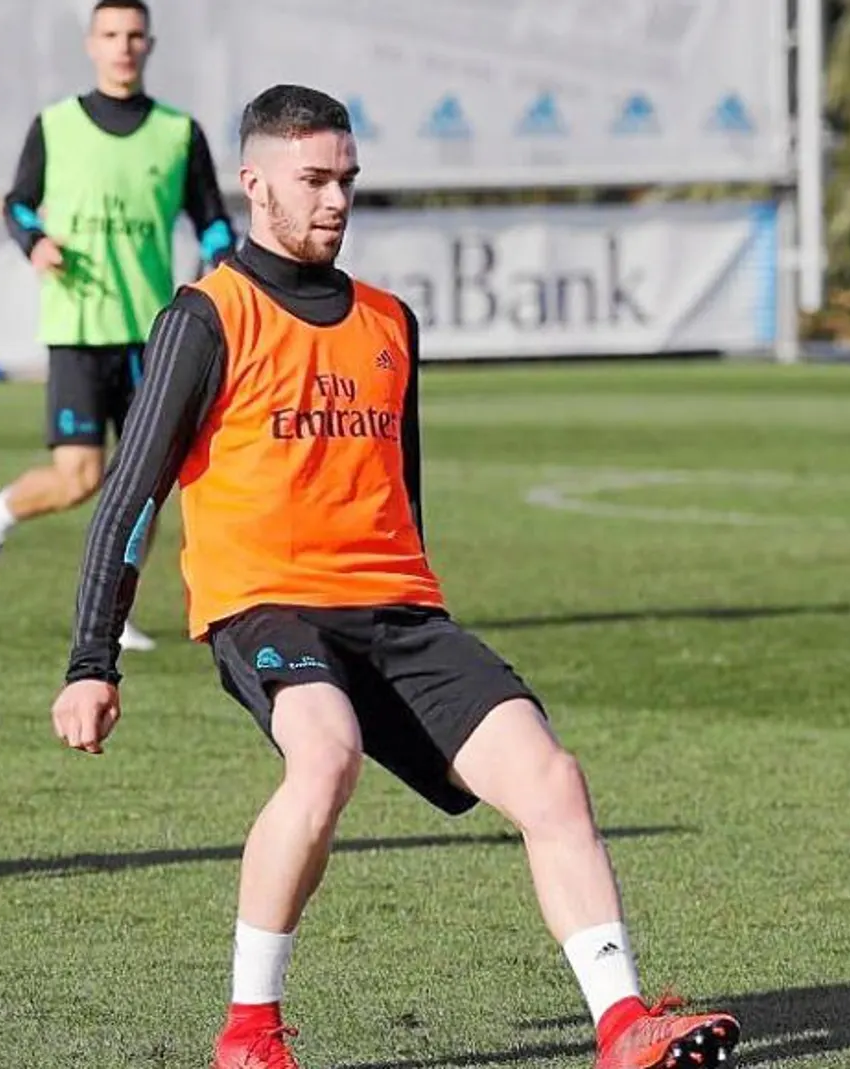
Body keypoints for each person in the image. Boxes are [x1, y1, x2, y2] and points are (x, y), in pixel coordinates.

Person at [47, 84, 739, 1069]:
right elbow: (131, 495)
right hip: (266, 604)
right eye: (312, 179)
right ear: (254, 183)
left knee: (552, 778)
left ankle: (623, 1022)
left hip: (400, 612)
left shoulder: (389, 321)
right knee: (323, 754)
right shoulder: (208, 316)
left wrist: (431, 641)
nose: (334, 199)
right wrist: (91, 658)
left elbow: (397, 496)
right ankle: (250, 1034)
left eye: (346, 180)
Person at [0, 0, 234, 654]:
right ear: (91, 44)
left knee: (145, 482)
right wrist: (34, 242)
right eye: (111, 34)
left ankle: (117, 609)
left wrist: (219, 262)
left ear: (150, 44)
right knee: (80, 476)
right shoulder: (54, 126)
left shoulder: (177, 132)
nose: (123, 46)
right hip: (79, 328)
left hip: (152, 335)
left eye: (135, 35)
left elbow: (214, 219)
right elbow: (17, 203)